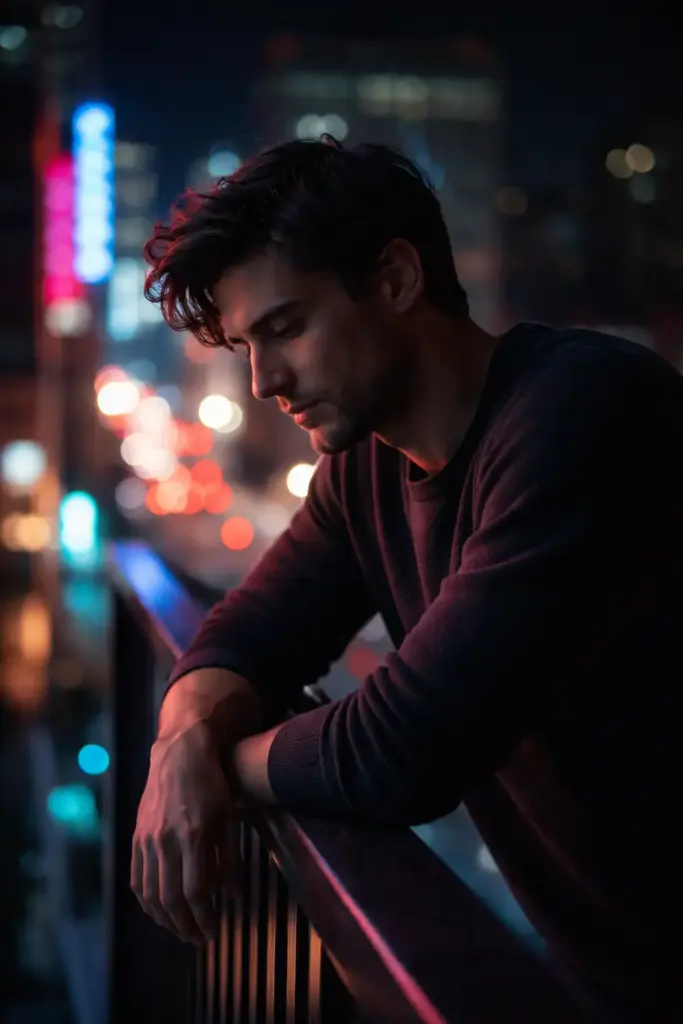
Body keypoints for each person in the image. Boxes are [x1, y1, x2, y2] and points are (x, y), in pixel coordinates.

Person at [131, 136, 683, 1021]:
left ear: (394, 280)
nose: (265, 379)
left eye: (284, 328)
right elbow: (240, 637)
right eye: (243, 345)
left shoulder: (585, 413)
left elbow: (403, 750)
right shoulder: (368, 471)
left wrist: (216, 769)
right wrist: (178, 746)